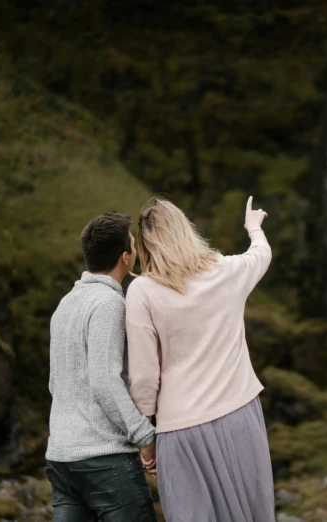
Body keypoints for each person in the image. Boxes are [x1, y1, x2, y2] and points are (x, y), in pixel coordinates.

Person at [125, 196, 274, 522]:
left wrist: (145, 439)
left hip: (181, 430)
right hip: (241, 416)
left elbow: (144, 378)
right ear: (185, 231)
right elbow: (261, 255)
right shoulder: (225, 271)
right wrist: (253, 228)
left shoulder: (142, 292)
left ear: (147, 243)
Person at [45, 212, 159, 522]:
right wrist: (145, 438)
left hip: (61, 460)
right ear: (126, 257)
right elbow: (105, 381)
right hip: (104, 462)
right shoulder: (109, 304)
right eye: (133, 245)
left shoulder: (65, 304)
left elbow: (56, 384)